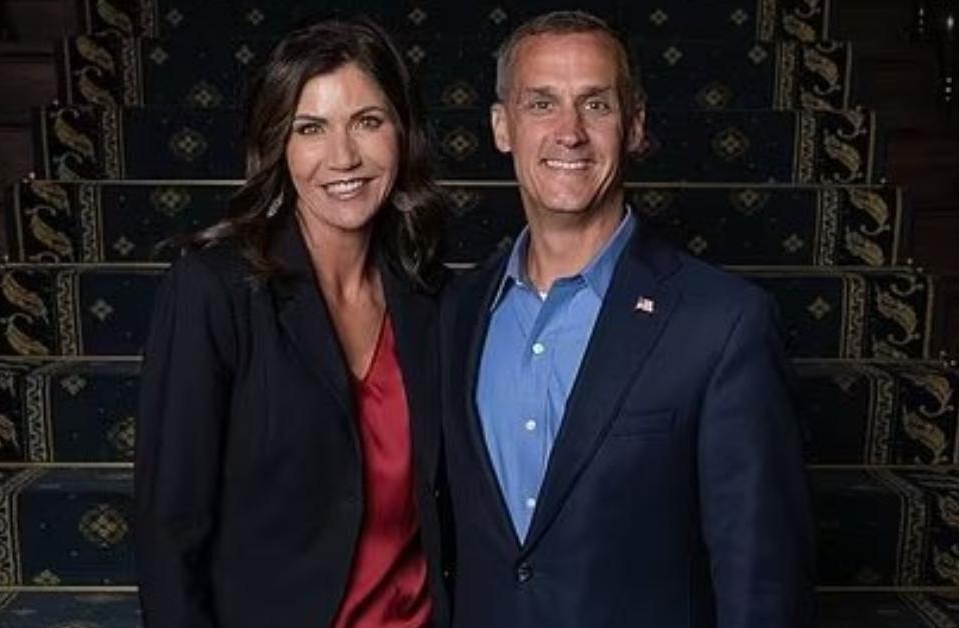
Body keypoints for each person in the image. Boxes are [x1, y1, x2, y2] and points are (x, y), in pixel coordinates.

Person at [439, 11, 814, 628]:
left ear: (634, 125)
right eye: (541, 104)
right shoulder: (457, 312)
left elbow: (761, 579)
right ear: (502, 127)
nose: (569, 133)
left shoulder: (723, 324)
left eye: (596, 105)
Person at [136, 17, 450, 628]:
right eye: (311, 128)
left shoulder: (434, 299)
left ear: (403, 132)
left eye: (368, 121)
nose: (344, 157)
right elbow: (169, 526)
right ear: (278, 144)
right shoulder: (215, 290)